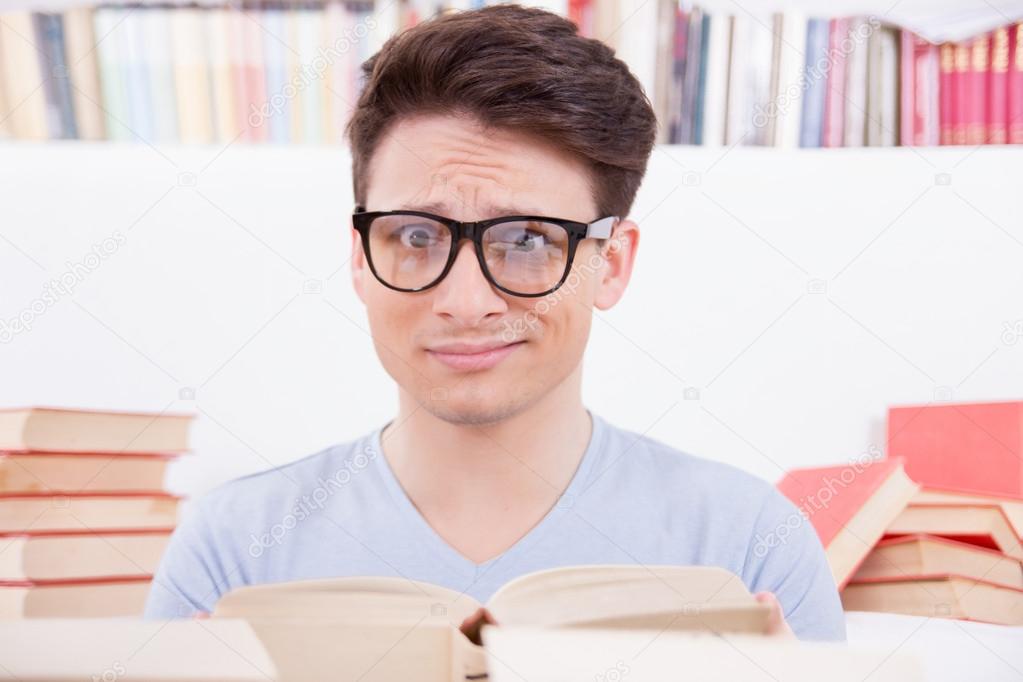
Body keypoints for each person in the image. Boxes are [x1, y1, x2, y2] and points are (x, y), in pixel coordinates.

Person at [145, 4, 845, 641]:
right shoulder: (230, 551)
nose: (467, 301)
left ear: (612, 265)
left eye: (529, 241)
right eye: (417, 237)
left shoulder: (752, 546)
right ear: (359, 258)